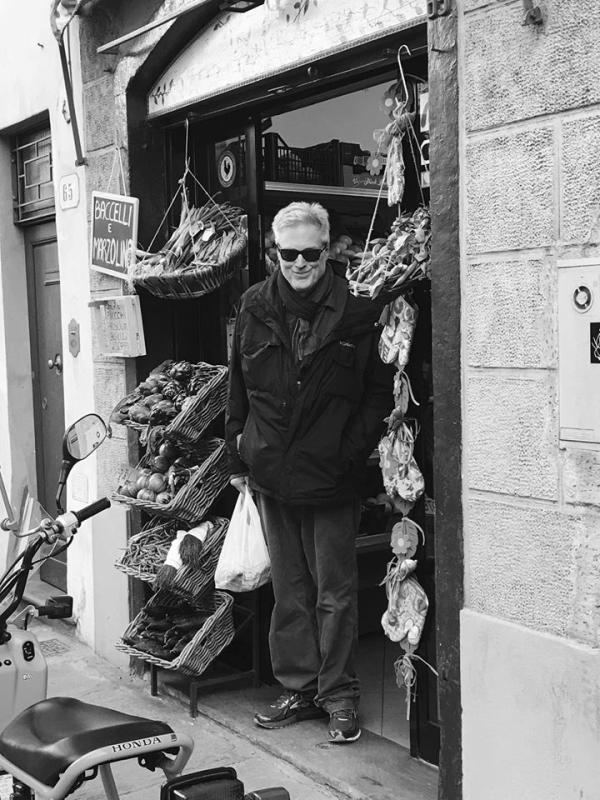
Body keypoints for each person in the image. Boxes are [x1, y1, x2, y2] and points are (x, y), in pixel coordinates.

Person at [226, 201, 394, 743]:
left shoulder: (357, 310)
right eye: (288, 253)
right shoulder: (254, 304)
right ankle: (298, 687)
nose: (299, 263)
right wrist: (239, 451)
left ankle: (338, 693)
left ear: (327, 250)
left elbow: (377, 393)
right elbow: (238, 385)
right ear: (276, 252)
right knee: (291, 590)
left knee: (336, 592)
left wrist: (350, 450)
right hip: (272, 469)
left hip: (331, 475)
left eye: (310, 253)